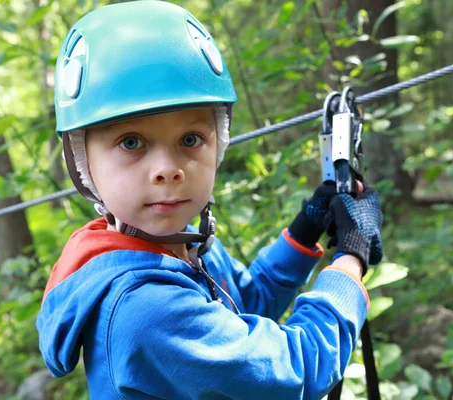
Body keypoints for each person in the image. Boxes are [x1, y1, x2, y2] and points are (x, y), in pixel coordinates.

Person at [36, 1, 384, 399]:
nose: (167, 169)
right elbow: (294, 371)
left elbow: (248, 303)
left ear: (218, 143)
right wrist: (350, 260)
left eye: (190, 139)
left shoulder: (180, 246)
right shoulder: (144, 309)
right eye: (131, 142)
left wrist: (306, 228)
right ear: (84, 165)